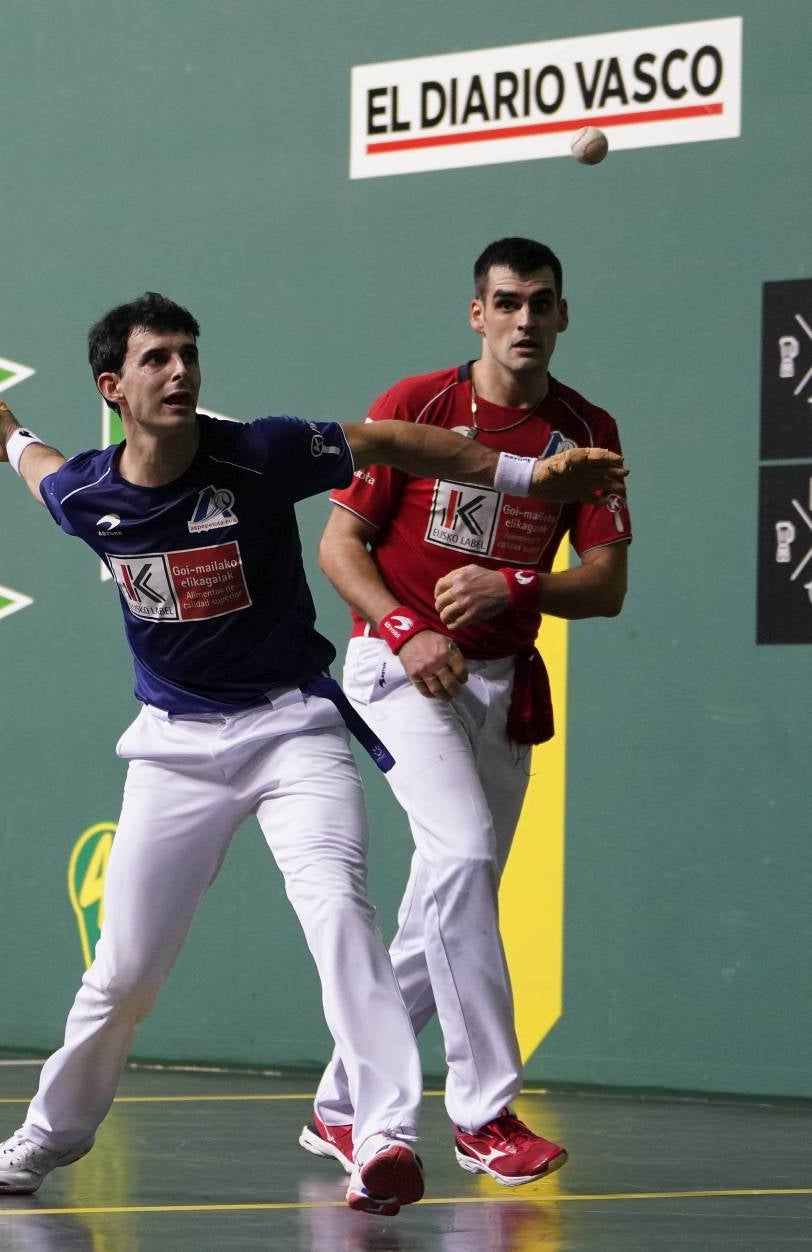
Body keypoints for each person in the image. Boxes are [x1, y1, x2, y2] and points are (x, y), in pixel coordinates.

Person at [0, 291, 626, 1216]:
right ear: (114, 387)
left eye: (189, 353)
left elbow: (390, 441)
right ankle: (51, 1130)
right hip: (174, 752)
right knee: (123, 973)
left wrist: (520, 478)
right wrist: (12, 432)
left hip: (292, 732)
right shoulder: (90, 497)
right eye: (156, 360)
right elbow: (43, 474)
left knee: (339, 914)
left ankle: (382, 1134)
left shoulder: (261, 453)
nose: (181, 370)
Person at [301, 238, 631, 1189]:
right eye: (506, 302)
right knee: (462, 858)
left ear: (563, 316)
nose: (525, 319)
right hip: (396, 668)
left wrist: (516, 585)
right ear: (477, 315)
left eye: (543, 303)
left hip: (499, 686)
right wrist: (407, 629)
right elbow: (339, 547)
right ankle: (483, 1112)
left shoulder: (586, 431)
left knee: (452, 894)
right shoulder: (418, 406)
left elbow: (605, 587)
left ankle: (341, 1103)